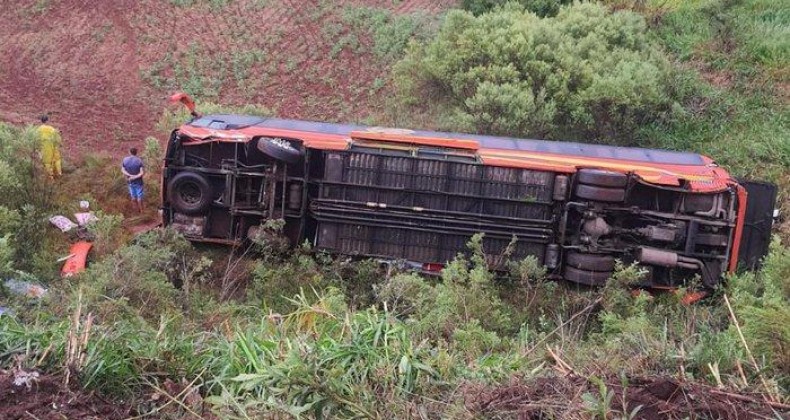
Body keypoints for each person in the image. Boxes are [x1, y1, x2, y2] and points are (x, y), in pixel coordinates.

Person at [37, 114, 62, 179]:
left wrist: (38, 150)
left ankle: (51, 177)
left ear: (41, 121)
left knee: (47, 162)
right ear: (47, 121)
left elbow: (36, 140)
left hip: (45, 148)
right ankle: (59, 174)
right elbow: (58, 139)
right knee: (57, 160)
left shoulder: (38, 130)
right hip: (54, 147)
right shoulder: (52, 129)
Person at [121, 147, 145, 213]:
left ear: (129, 152)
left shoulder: (125, 160)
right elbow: (141, 173)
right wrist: (135, 176)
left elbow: (123, 170)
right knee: (139, 197)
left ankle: (136, 211)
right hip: (138, 182)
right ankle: (142, 211)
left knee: (133, 197)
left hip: (129, 181)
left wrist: (129, 175)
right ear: (136, 152)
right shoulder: (139, 161)